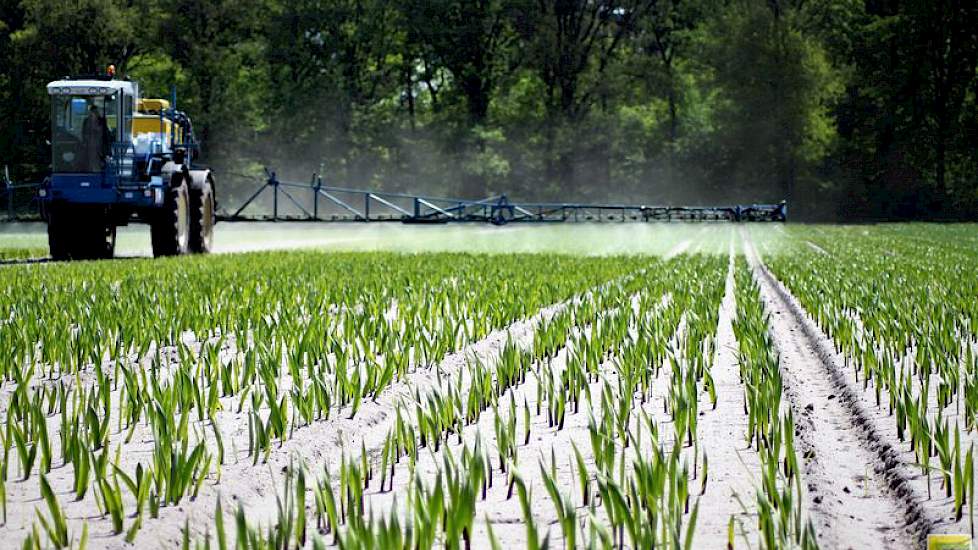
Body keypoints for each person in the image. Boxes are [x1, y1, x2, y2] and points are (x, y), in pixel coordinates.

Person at [82, 103, 112, 171]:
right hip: (89, 146)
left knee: (97, 163)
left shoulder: (102, 121)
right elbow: (84, 133)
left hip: (99, 146)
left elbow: (106, 136)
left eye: (95, 112)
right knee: (90, 162)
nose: (94, 114)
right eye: (92, 112)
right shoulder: (86, 121)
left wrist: (108, 151)